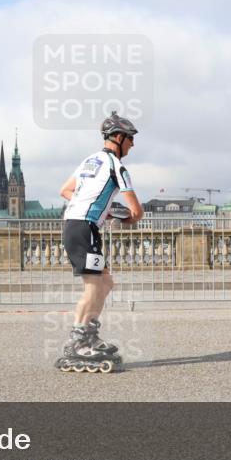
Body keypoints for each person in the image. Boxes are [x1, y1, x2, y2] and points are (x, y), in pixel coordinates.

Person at [55, 111, 144, 373]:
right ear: (118, 137)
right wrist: (123, 217)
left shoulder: (89, 161)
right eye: (130, 139)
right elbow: (136, 212)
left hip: (78, 225)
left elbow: (65, 190)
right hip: (84, 226)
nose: (132, 145)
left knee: (105, 282)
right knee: (94, 286)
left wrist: (96, 207)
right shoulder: (117, 167)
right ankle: (78, 342)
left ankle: (89, 335)